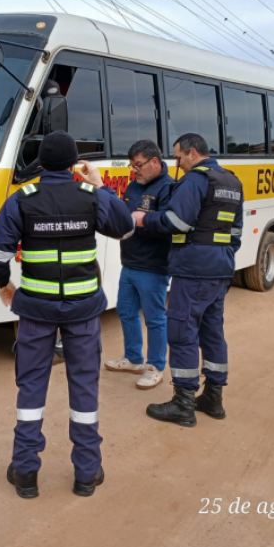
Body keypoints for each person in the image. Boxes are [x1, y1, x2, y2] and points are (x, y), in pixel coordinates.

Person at [0, 130, 135, 498]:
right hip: (83, 313)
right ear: (72, 165)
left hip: (35, 311)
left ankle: (26, 473)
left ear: (40, 164)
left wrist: (5, 285)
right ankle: (86, 473)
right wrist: (101, 187)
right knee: (84, 388)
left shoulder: (23, 199)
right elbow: (126, 227)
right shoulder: (90, 197)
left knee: (31, 387)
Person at [132, 132, 244, 427]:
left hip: (193, 269)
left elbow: (176, 221)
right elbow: (236, 233)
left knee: (182, 332)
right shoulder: (232, 181)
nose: (177, 164)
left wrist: (145, 219)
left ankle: (183, 404)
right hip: (220, 269)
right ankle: (213, 398)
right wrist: (221, 255)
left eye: (179, 157)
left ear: (193, 153)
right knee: (212, 331)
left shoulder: (195, 180)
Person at [104, 140, 174, 389]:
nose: (135, 171)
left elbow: (169, 222)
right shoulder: (134, 186)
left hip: (153, 267)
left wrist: (144, 219)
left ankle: (155, 367)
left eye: (139, 165)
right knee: (125, 311)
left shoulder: (168, 187)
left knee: (155, 319)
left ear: (155, 162)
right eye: (132, 166)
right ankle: (134, 359)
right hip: (130, 263)